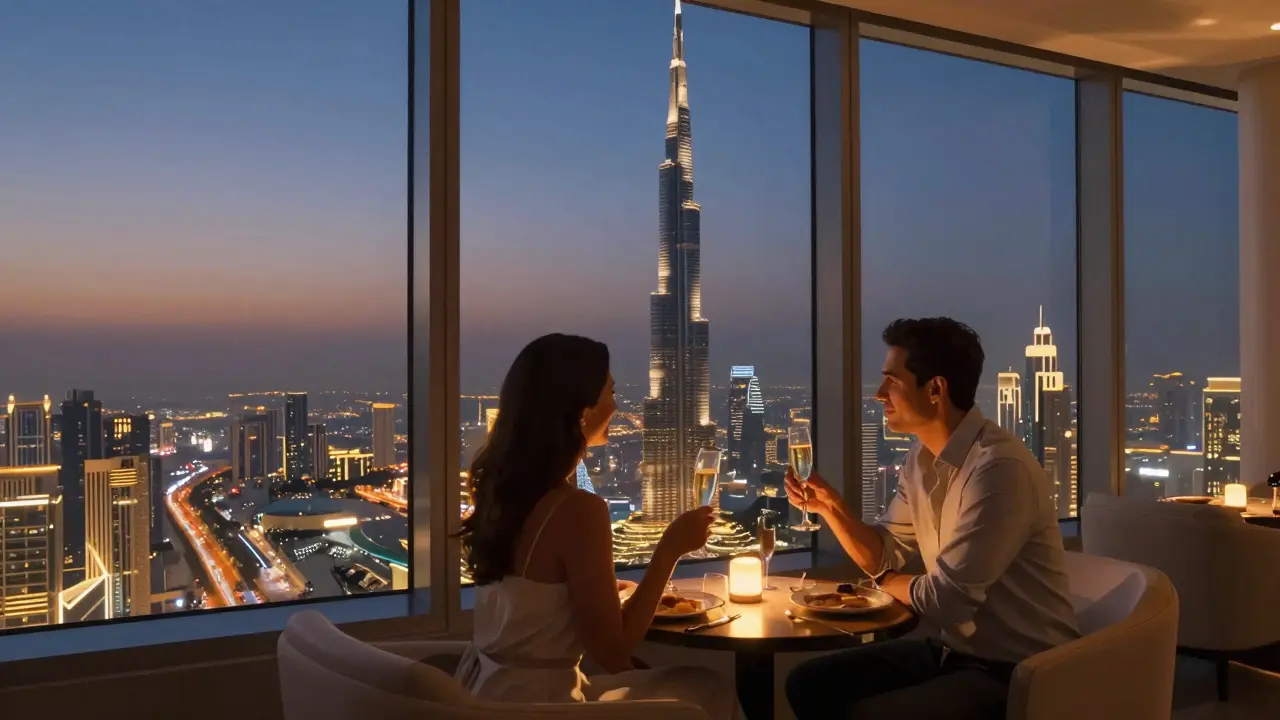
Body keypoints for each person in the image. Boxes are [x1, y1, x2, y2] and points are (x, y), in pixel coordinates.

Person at [785, 318, 1080, 719]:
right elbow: (885, 553)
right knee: (807, 683)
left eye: (892, 381)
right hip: (951, 652)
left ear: (936, 389)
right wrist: (833, 510)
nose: (878, 394)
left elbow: (947, 601)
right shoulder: (920, 461)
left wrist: (887, 582)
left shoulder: (999, 468)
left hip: (1020, 671)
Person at [455, 333, 737, 718]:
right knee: (708, 689)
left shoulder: (502, 489)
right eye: (611, 392)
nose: (618, 405)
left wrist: (603, 591)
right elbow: (615, 653)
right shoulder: (578, 509)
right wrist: (669, 550)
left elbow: (532, 597)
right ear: (581, 410)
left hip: (485, 692)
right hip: (540, 705)